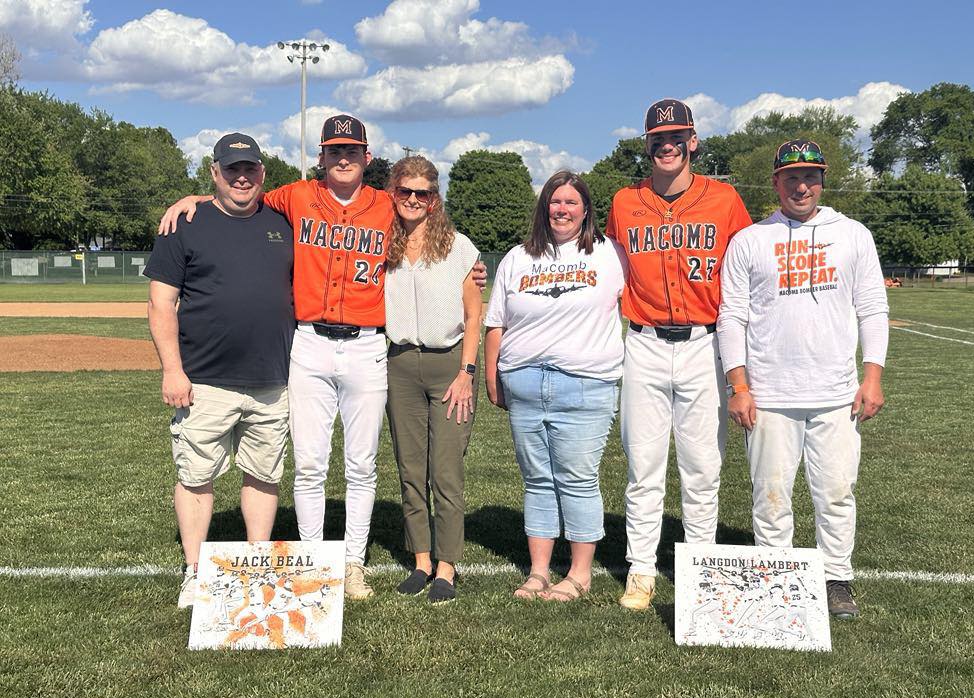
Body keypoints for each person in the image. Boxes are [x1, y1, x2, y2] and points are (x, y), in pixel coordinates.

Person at [160, 114, 487, 601]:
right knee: (310, 463)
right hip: (308, 342)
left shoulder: (387, 204)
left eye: (351, 151)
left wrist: (471, 267)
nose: (342, 158)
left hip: (367, 346)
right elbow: (239, 195)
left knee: (361, 464)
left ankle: (352, 563)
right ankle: (312, 559)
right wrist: (198, 200)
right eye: (334, 150)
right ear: (321, 156)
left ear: (366, 158)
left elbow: (430, 223)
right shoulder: (293, 195)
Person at [717, 139, 890, 619]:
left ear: (823, 179)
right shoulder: (751, 240)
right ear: (775, 182)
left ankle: (836, 579)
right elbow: (732, 318)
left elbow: (873, 307)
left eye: (809, 176)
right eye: (791, 177)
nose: (801, 185)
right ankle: (776, 576)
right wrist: (740, 386)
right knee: (770, 498)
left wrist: (871, 375)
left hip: (836, 393)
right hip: (770, 393)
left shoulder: (854, 235)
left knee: (835, 493)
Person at [605, 99, 753, 610]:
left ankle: (702, 567)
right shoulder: (625, 201)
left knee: (702, 467)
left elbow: (750, 269)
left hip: (705, 343)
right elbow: (605, 265)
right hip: (643, 341)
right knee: (643, 466)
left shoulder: (726, 198)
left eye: (676, 137)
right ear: (645, 144)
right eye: (657, 139)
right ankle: (641, 570)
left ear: (692, 141)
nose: (666, 146)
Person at [145, 133, 294, 608]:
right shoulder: (184, 224)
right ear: (214, 173)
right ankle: (193, 570)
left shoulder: (282, 222)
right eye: (232, 169)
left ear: (263, 174)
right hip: (203, 380)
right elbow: (160, 302)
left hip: (273, 378)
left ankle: (256, 564)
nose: (242, 176)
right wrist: (172, 370)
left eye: (250, 168)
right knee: (195, 475)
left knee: (264, 474)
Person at [485, 171, 627, 601]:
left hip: (584, 383)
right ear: (544, 207)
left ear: (586, 209)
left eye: (571, 202)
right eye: (554, 201)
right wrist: (493, 376)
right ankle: (539, 571)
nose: (562, 209)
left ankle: (580, 575)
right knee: (538, 481)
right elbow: (497, 322)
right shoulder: (517, 258)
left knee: (578, 479)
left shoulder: (609, 254)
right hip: (525, 381)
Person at [384, 156, 482, 604]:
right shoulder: (380, 245)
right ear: (393, 193)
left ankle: (447, 566)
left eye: (422, 192)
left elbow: (473, 315)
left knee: (445, 471)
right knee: (409, 468)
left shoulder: (459, 247)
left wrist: (467, 372)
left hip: (449, 367)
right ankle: (421, 560)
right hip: (399, 364)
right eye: (405, 191)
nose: (413, 200)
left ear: (434, 199)